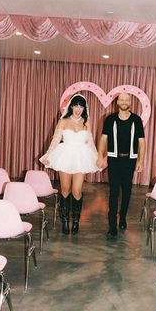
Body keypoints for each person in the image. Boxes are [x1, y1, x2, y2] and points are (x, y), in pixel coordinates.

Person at [39, 94, 99, 235]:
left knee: (77, 190)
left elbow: (90, 142)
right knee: (65, 189)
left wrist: (97, 158)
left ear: (84, 108)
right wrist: (47, 155)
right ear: (71, 106)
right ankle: (65, 221)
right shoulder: (63, 122)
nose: (78, 109)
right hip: (65, 156)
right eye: (76, 105)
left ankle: (76, 220)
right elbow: (55, 140)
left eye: (81, 106)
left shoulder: (86, 122)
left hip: (81, 157)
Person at [97, 93, 146, 239]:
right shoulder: (110, 119)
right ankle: (112, 226)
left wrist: (141, 161)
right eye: (121, 99)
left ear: (130, 102)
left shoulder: (136, 120)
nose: (124, 102)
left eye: (127, 100)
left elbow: (142, 143)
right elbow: (103, 139)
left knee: (127, 192)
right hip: (113, 160)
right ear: (117, 102)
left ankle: (122, 217)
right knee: (113, 192)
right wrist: (100, 156)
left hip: (129, 161)